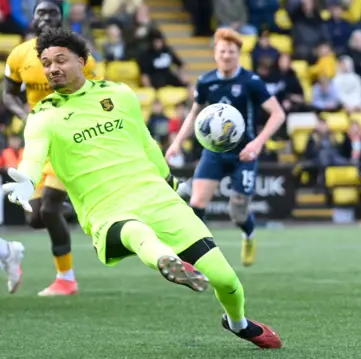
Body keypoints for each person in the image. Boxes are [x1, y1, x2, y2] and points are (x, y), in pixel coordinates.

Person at [2, 27, 282, 349]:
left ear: (82, 61)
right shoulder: (43, 115)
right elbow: (34, 156)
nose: (52, 68)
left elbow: (147, 144)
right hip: (105, 209)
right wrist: (26, 181)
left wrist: (171, 183)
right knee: (135, 232)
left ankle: (239, 323)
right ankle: (167, 261)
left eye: (60, 60)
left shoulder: (119, 94)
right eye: (46, 63)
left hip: (155, 195)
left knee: (225, 279)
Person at [3, 0, 100, 296]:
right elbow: (8, 94)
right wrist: (25, 115)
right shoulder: (20, 55)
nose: (46, 18)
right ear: (32, 20)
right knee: (36, 217)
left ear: (61, 19)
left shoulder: (80, 55)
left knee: (49, 208)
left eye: (52, 13)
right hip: (38, 142)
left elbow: (95, 95)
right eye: (40, 13)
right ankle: (75, 210)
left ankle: (66, 279)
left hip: (67, 140)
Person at [165, 28, 285, 267]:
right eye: (222, 51)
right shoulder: (206, 81)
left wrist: (257, 143)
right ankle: (193, 256)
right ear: (215, 53)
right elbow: (194, 114)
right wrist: (177, 143)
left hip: (244, 153)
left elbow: (278, 114)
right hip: (214, 152)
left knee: (238, 213)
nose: (226, 55)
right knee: (197, 203)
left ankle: (249, 236)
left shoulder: (251, 82)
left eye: (231, 51)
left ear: (239, 53)